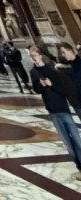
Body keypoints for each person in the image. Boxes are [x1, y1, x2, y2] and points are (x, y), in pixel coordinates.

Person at [30, 44, 81, 180]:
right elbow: (36, 88)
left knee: (76, 137)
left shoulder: (53, 69)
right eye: (32, 56)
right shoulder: (34, 72)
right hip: (51, 108)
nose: (34, 58)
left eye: (35, 55)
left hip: (63, 107)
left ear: (41, 55)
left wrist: (52, 85)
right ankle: (79, 166)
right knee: (67, 140)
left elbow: (64, 88)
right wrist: (41, 84)